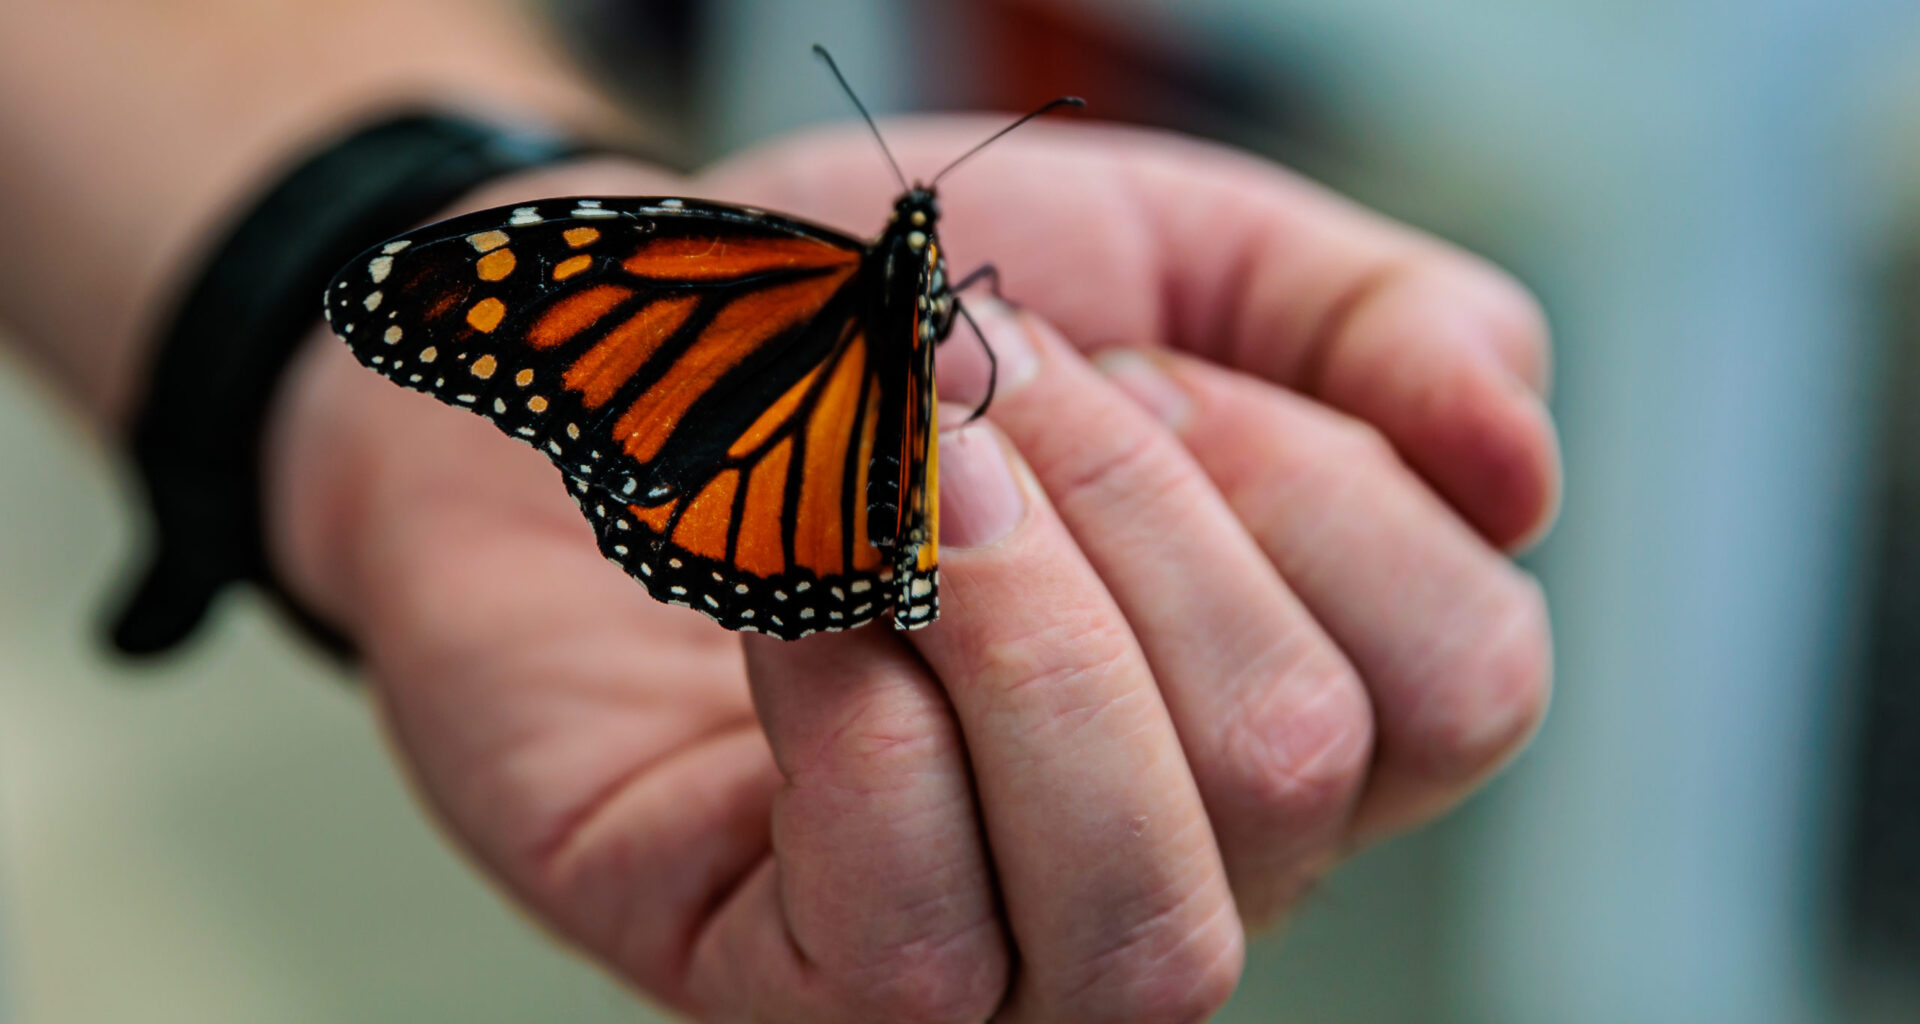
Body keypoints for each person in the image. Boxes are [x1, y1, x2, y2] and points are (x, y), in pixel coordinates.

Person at [0, 1, 1560, 1021]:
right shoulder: (786, 269)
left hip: (754, 467)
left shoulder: (785, 271)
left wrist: (385, 209)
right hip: (761, 474)